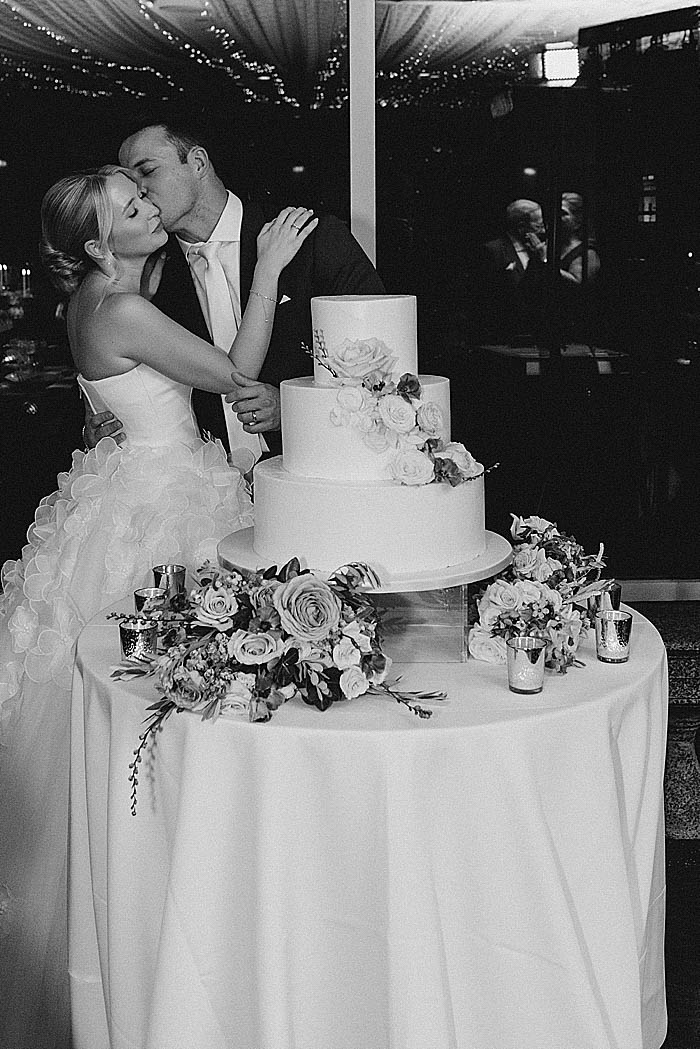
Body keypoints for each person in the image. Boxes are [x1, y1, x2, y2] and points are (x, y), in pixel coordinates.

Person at [0, 165, 316, 1048]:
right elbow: (233, 374)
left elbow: (120, 400)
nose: (150, 209)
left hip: (125, 483)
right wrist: (266, 271)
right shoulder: (125, 308)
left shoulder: (96, 300)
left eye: (145, 196)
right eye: (132, 209)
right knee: (170, 708)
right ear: (100, 246)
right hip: (161, 508)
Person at [84, 119, 386, 458]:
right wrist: (107, 424)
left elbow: (384, 371)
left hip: (314, 469)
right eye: (130, 183)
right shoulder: (148, 278)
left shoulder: (309, 238)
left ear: (197, 163)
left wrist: (290, 409)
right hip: (203, 492)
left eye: (147, 171)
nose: (139, 190)